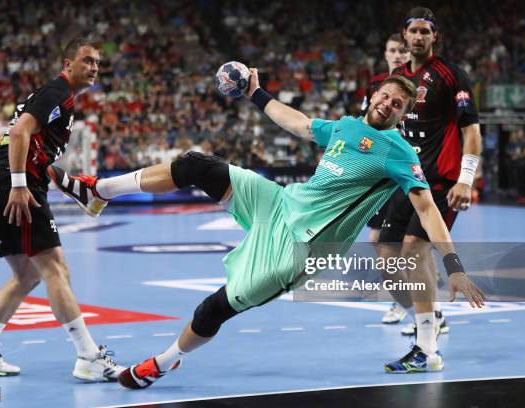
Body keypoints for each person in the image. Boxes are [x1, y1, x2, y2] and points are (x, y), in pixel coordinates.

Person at [50, 69, 484, 386]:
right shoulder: (346, 127)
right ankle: (99, 191)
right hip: (280, 204)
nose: (388, 104)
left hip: (302, 247)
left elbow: (427, 209)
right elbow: (296, 122)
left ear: (403, 114)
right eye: (386, 96)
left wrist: (454, 264)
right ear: (373, 96)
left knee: (213, 309)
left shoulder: (398, 152)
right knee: (194, 165)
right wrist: (257, 93)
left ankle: (165, 361)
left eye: (399, 105)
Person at [0, 38, 125, 382]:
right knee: (55, 268)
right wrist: (20, 184)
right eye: (86, 61)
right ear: (67, 65)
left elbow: (34, 149)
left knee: (28, 274)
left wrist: (72, 186)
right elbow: (20, 132)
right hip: (13, 184)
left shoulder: (54, 98)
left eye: (97, 62)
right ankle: (88, 356)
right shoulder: (58, 93)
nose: (94, 67)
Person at [377, 7, 484, 372]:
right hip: (406, 179)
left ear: (434, 36)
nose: (419, 37)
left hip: (440, 183)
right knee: (388, 260)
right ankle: (430, 318)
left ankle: (427, 350)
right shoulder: (397, 77)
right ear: (403, 36)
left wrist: (466, 179)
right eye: (413, 31)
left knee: (413, 253)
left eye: (426, 31)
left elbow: (471, 131)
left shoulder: (452, 75)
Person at [361, 33, 412, 325]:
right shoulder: (375, 86)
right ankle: (405, 301)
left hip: (405, 173)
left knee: (408, 246)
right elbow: (366, 127)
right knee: (376, 240)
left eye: (401, 50)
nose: (397, 55)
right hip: (380, 176)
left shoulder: (418, 89)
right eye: (391, 50)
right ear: (385, 53)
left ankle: (426, 308)